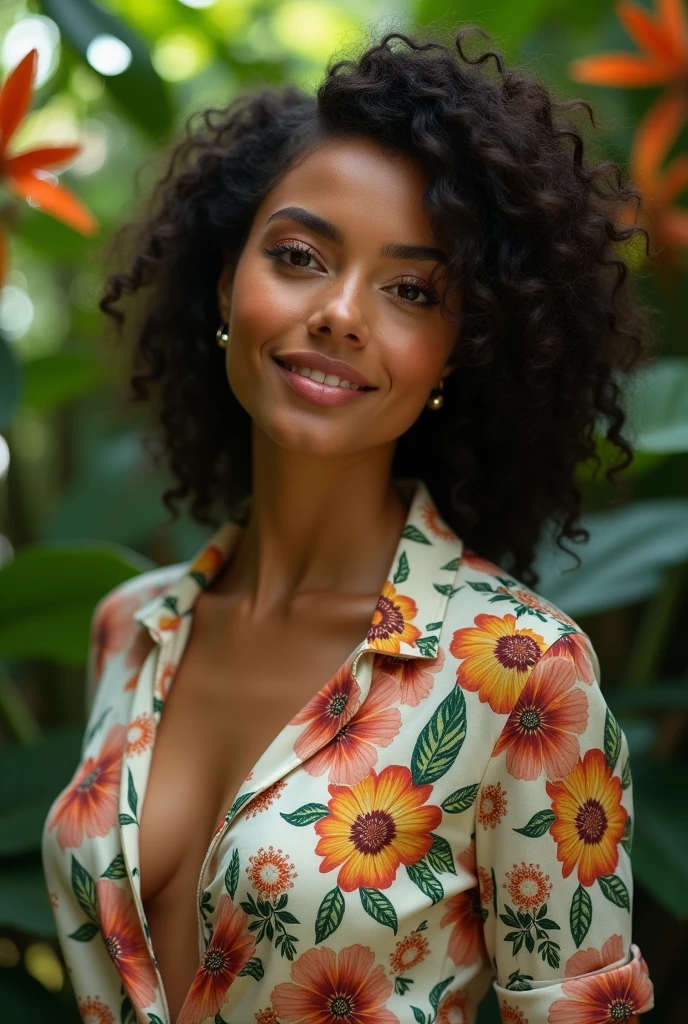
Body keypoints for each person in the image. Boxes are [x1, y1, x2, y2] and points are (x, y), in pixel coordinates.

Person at [42, 26, 655, 1024]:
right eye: (297, 256)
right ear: (222, 283)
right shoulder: (128, 628)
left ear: (461, 350)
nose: (340, 311)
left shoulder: (517, 676)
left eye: (412, 290)